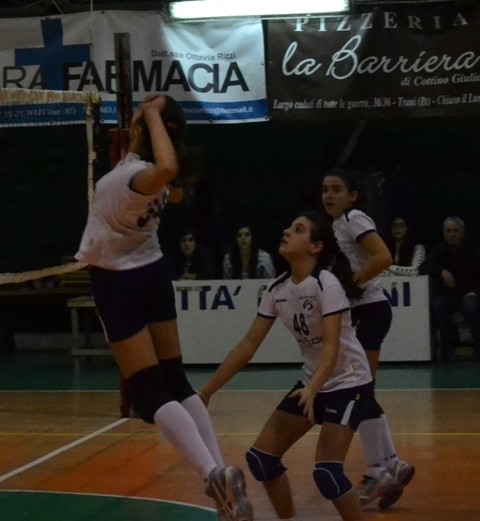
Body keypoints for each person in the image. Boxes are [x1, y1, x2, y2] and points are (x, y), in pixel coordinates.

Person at [75, 94, 253, 521]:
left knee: (148, 391)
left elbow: (168, 167)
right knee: (175, 380)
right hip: (152, 270)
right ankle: (221, 477)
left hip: (119, 280)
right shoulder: (154, 182)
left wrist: (151, 114)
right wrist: (152, 124)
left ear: (143, 129)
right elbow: (172, 181)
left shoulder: (135, 178)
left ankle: (212, 474)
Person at [199, 210, 374, 521]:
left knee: (328, 474)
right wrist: (205, 392)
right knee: (261, 459)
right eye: (290, 227)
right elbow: (247, 347)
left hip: (349, 384)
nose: (287, 231)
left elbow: (331, 347)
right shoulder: (277, 290)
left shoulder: (326, 283)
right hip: (312, 384)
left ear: (315, 247)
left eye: (298, 229)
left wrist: (313, 389)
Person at [321, 167, 415, 509]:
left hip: (370, 311)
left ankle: (379, 470)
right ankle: (391, 464)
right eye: (325, 189)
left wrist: (351, 285)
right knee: (363, 392)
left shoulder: (353, 218)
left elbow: (384, 257)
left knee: (358, 392)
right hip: (365, 313)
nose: (328, 195)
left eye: (336, 189)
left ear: (353, 196)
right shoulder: (338, 224)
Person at [419, 216, 480, 364]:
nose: (452, 234)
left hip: (470, 294)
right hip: (448, 296)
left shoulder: (472, 250)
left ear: (462, 232)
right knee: (437, 304)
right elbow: (423, 267)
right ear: (444, 233)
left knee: (471, 305)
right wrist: (441, 271)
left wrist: (475, 292)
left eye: (455, 230)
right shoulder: (440, 250)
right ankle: (451, 343)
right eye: (448, 231)